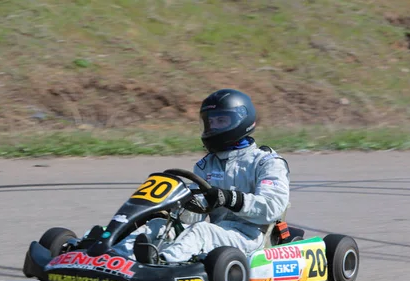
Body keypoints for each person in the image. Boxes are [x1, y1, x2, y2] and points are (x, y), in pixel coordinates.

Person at [113, 88, 291, 263]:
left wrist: (231, 199)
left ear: (242, 119)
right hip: (219, 231)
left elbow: (272, 208)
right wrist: (171, 208)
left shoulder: (267, 162)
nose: (213, 127)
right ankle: (113, 257)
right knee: (159, 227)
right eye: (210, 122)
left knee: (202, 231)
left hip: (251, 236)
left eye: (221, 120)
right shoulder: (206, 165)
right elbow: (194, 215)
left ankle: (162, 262)